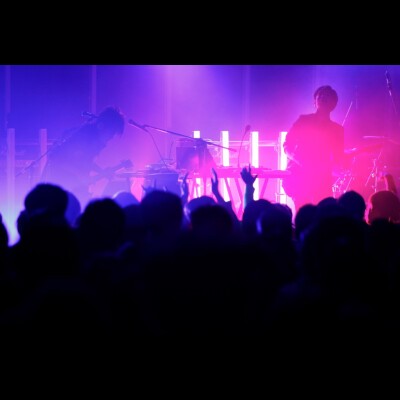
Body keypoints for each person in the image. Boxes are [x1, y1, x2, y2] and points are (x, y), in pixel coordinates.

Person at [40, 106, 125, 208]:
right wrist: (79, 175)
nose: (111, 137)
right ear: (101, 126)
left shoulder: (92, 139)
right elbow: (58, 159)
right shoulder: (83, 137)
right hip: (63, 186)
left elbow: (83, 161)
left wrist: (101, 171)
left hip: (73, 187)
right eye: (111, 133)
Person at [282, 85, 345, 213]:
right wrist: (299, 160)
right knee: (303, 213)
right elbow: (287, 145)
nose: (323, 98)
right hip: (300, 176)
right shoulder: (303, 121)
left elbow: (339, 157)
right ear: (315, 101)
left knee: (323, 214)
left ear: (333, 103)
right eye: (320, 95)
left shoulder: (337, 130)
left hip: (322, 179)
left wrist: (340, 165)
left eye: (327, 96)